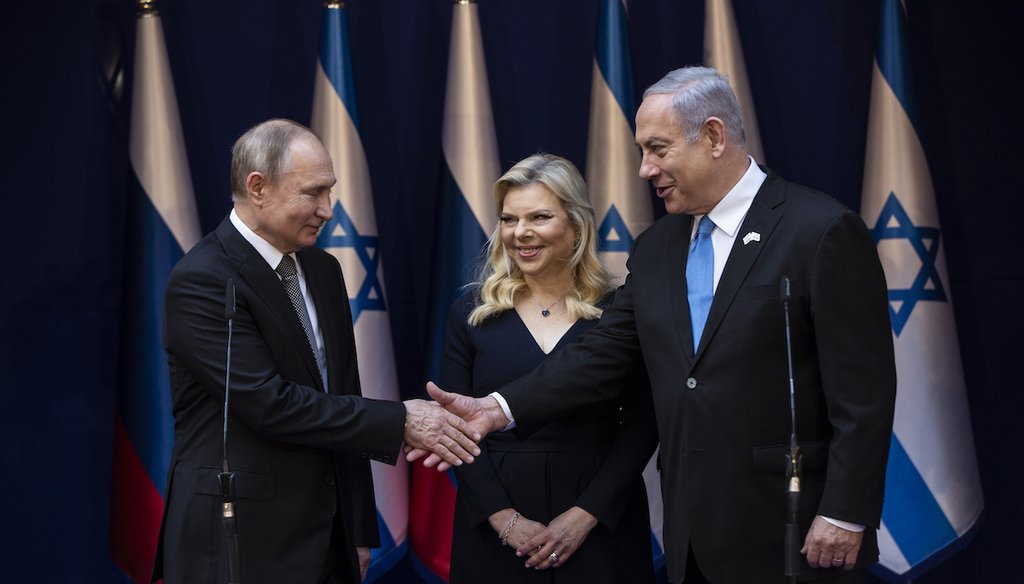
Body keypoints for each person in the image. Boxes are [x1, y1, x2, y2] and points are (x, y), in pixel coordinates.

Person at [420, 67, 896, 583]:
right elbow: (601, 353)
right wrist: (497, 408)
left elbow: (864, 394)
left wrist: (844, 511)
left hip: (792, 529)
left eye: (658, 148)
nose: (645, 169)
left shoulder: (819, 230)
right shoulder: (657, 247)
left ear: (713, 136)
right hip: (690, 535)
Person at [153, 119, 480, 584]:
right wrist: (402, 420)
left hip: (328, 538)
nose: (327, 210)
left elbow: (343, 391)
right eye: (313, 193)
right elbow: (270, 404)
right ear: (257, 187)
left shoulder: (323, 270)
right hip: (242, 540)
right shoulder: (204, 279)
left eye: (330, 191)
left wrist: (359, 529)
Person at [442, 154, 658, 583]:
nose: (520, 233)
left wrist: (584, 516)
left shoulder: (619, 313)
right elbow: (455, 429)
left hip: (600, 520)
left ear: (576, 225)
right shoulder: (470, 313)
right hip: (495, 525)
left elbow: (643, 424)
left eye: (539, 217)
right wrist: (506, 521)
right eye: (509, 219)